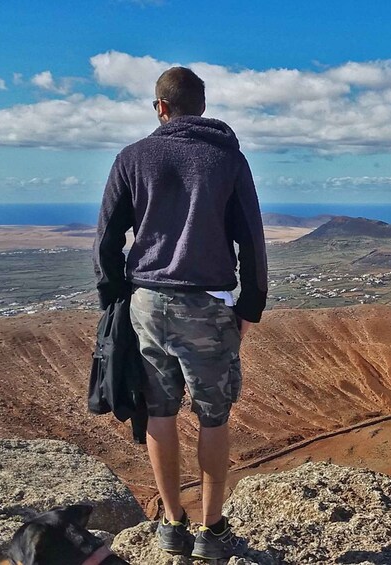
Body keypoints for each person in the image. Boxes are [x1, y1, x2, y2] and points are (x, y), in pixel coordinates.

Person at [93, 66, 267, 560]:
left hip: (146, 303)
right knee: (213, 418)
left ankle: (172, 525)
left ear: (161, 108)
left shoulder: (132, 158)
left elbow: (107, 240)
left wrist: (114, 301)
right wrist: (250, 305)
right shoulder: (228, 159)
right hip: (209, 305)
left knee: (159, 413)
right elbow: (251, 240)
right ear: (202, 107)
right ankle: (212, 533)